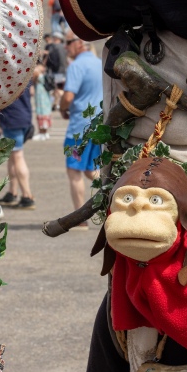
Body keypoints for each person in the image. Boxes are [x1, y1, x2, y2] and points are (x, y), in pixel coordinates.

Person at [61, 31, 102, 229]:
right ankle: (110, 197)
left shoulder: (76, 66)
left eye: (68, 43)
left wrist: (61, 107)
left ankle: (79, 217)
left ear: (78, 43)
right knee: (91, 170)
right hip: (98, 124)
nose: (65, 47)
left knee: (74, 171)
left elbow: (68, 97)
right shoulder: (98, 62)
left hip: (79, 128)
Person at [0, 86, 36, 209]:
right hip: (25, 116)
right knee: (12, 155)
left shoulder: (7, 71)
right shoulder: (26, 70)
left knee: (18, 156)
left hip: (12, 118)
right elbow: (32, 92)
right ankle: (12, 192)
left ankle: (27, 195)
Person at [46, 31, 68, 111]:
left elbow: (62, 61)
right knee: (56, 89)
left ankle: (63, 104)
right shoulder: (57, 47)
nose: (53, 39)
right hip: (56, 71)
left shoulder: (59, 47)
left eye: (55, 38)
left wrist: (60, 71)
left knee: (59, 89)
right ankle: (56, 103)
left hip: (59, 72)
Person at [32, 63, 53, 139]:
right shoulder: (45, 71)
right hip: (45, 93)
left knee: (40, 111)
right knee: (45, 111)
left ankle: (41, 132)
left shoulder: (37, 72)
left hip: (40, 93)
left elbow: (33, 80)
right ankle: (45, 132)